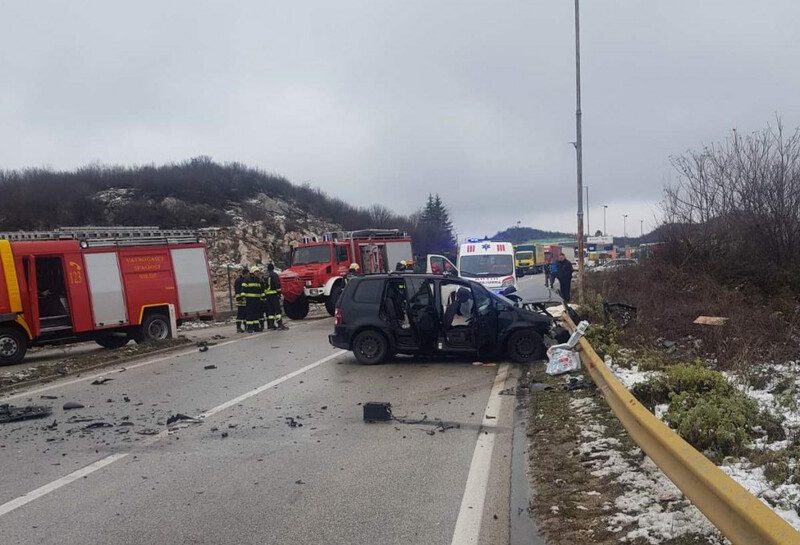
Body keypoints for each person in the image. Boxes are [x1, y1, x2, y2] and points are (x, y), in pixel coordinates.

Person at [240, 266, 266, 332]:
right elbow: (243, 288)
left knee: (256, 314)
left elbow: (260, 290)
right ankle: (249, 328)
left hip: (257, 300)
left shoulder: (258, 280)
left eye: (258, 272)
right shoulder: (247, 279)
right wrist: (243, 297)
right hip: (250, 300)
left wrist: (263, 297)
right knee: (250, 314)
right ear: (252, 272)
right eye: (256, 272)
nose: (257, 273)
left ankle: (256, 327)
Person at [264, 263, 288, 330]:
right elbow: (277, 284)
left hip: (267, 296)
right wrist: (279, 293)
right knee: (278, 310)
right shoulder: (274, 275)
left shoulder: (265, 276)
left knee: (270, 311)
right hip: (274, 295)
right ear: (273, 268)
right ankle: (280, 324)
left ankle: (271, 325)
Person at [233, 266, 248, 333]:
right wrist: (240, 298)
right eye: (247, 274)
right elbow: (238, 290)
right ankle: (238, 327)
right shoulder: (239, 280)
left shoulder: (243, 280)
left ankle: (245, 326)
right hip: (241, 300)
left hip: (245, 300)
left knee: (245, 314)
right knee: (240, 314)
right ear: (244, 274)